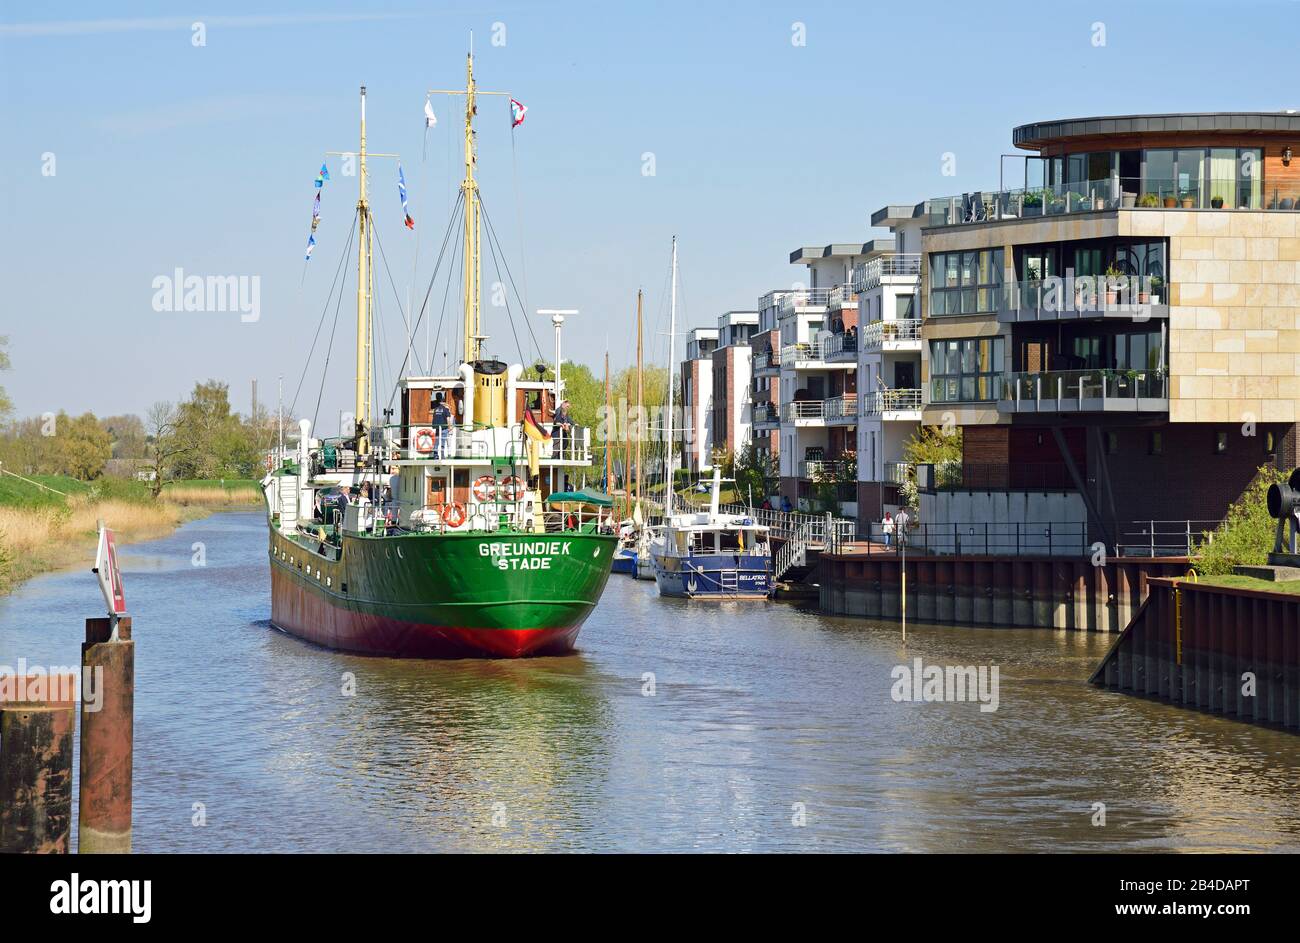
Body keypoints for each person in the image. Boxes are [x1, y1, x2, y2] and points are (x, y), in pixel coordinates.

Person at [431, 394, 453, 459]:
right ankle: (442, 456)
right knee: (442, 442)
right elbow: (448, 419)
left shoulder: (435, 409)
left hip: (437, 428)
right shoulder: (446, 409)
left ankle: (435, 455)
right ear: (443, 399)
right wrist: (449, 427)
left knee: (436, 442)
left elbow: (434, 418)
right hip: (444, 428)